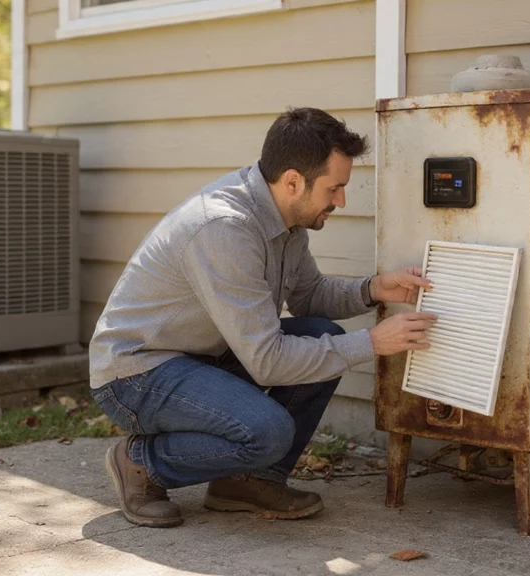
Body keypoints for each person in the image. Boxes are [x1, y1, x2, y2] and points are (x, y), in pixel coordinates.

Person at [88, 107, 437, 528]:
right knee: (268, 430)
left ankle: (247, 482)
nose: (341, 200)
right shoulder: (225, 229)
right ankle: (140, 463)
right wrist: (372, 342)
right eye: (335, 188)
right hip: (137, 372)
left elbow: (310, 297)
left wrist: (373, 288)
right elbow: (268, 361)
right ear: (293, 181)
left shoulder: (288, 218)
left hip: (205, 355)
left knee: (320, 334)